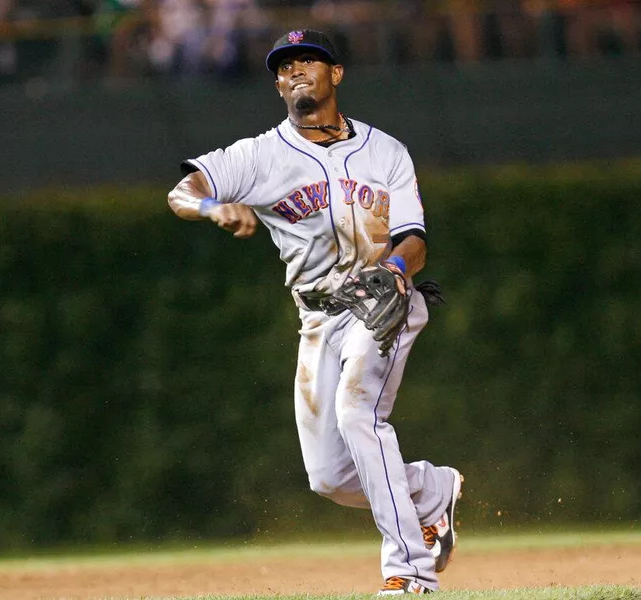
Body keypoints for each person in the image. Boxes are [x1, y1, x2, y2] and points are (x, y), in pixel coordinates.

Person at [167, 29, 462, 595]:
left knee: (358, 415)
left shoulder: (386, 151)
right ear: (277, 84)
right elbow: (182, 191)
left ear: (336, 74)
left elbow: (415, 241)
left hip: (384, 303)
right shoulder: (259, 155)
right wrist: (211, 206)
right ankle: (429, 490)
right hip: (318, 319)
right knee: (329, 476)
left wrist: (397, 272)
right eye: (284, 66)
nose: (295, 71)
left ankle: (410, 574)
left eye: (309, 60)